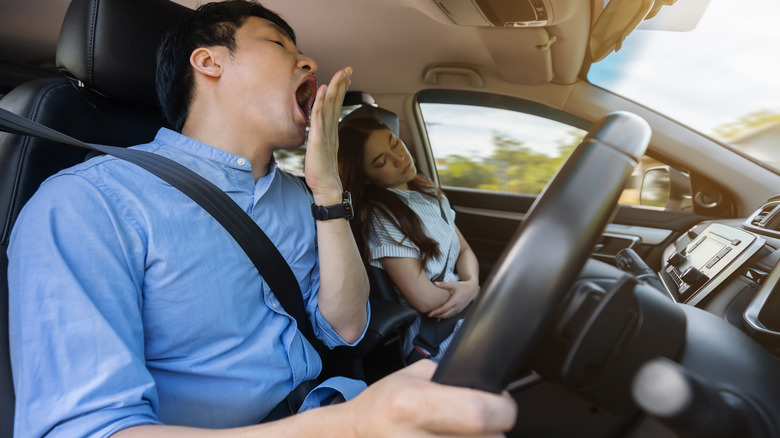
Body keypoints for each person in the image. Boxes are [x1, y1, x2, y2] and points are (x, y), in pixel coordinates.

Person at [7, 0, 516, 436]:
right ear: (209, 62)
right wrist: (351, 426)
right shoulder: (88, 205)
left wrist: (329, 192)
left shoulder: (302, 196)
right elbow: (87, 428)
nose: (308, 60)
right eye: (280, 45)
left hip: (332, 404)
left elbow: (347, 330)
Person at [337, 117, 481, 362]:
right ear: (367, 178)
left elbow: (464, 250)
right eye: (381, 161)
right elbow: (423, 299)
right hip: (434, 333)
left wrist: (472, 283)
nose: (399, 158)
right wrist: (468, 294)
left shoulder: (426, 191)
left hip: (464, 308)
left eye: (395, 143)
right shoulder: (381, 219)